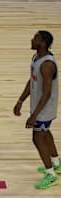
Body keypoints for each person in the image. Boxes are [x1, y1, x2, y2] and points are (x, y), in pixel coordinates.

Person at [14, 30, 60, 189]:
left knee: (37, 138)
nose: (32, 40)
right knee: (45, 133)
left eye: (36, 39)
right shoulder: (36, 58)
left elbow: (46, 93)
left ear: (43, 43)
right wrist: (21, 100)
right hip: (39, 106)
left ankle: (51, 174)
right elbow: (32, 80)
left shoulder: (47, 65)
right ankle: (56, 163)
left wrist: (34, 115)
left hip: (44, 108)